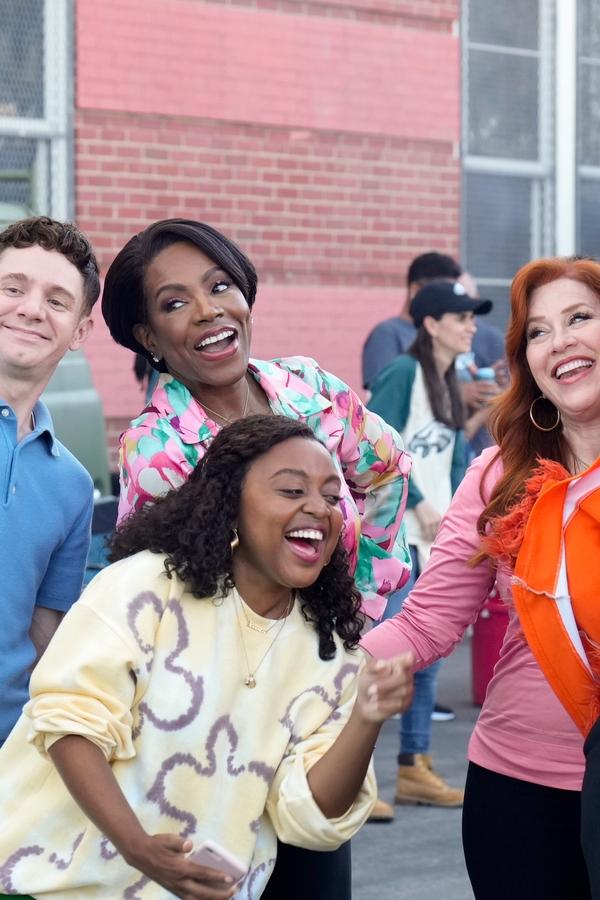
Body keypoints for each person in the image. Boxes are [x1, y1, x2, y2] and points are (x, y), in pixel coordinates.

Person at [100, 219, 412, 871]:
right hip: (220, 716)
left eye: (220, 286)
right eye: (175, 302)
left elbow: (385, 472)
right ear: (148, 337)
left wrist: (358, 606)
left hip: (323, 687)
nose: (208, 310)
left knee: (317, 861)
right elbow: (156, 597)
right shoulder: (157, 450)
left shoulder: (310, 390)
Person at [0, 415, 413, 900]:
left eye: (330, 496)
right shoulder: (147, 587)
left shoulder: (333, 654)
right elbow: (69, 721)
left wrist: (367, 718)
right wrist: (138, 847)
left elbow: (307, 818)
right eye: (291, 491)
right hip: (46, 885)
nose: (318, 508)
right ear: (231, 504)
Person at [360, 256, 600, 899]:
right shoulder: (499, 475)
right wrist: (310, 670)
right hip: (519, 790)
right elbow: (427, 622)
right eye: (538, 332)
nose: (560, 341)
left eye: (580, 318)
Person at [367, 280, 491, 808]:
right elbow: (377, 445)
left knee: (429, 659)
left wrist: (467, 513)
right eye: (461, 318)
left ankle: (414, 766)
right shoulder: (403, 372)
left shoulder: (448, 376)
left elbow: (456, 459)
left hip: (436, 537)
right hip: (398, 539)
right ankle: (356, 777)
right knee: (390, 656)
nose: (471, 327)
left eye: (472, 317)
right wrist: (416, 501)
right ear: (431, 324)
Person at [0, 215, 100, 746]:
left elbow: (46, 642)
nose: (32, 309)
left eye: (57, 301)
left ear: (80, 331)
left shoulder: (73, 487)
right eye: (13, 288)